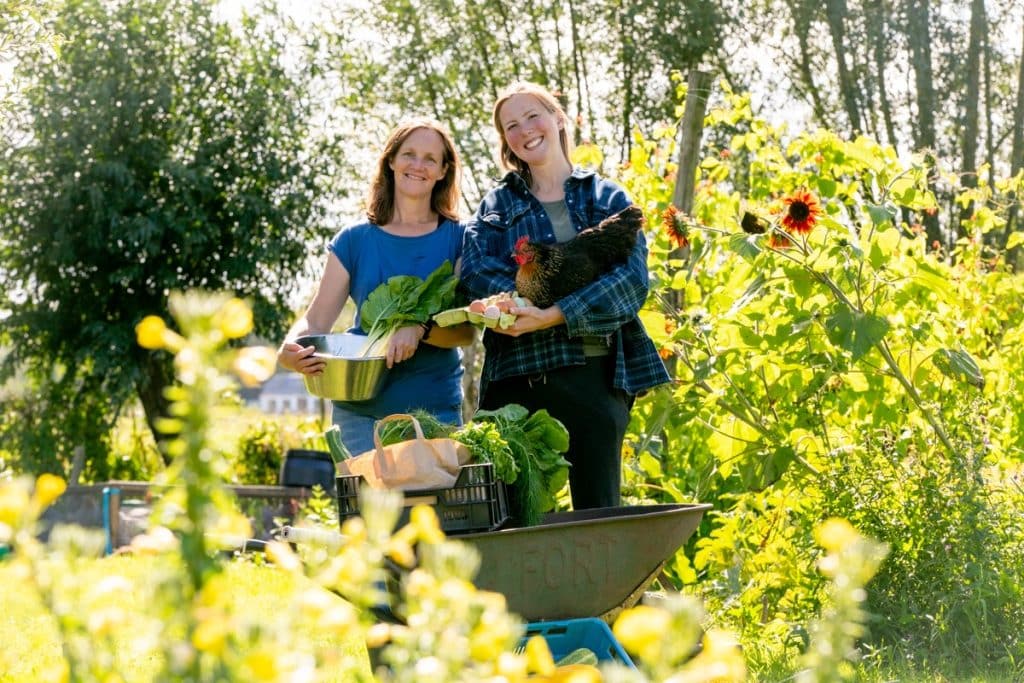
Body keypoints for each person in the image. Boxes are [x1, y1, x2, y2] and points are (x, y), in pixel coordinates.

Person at [460, 82, 670, 510]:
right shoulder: (496, 207)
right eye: (511, 126)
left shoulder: (606, 198)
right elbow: (477, 270)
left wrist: (554, 312)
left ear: (558, 118)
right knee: (511, 519)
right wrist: (531, 295)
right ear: (506, 142)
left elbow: (629, 281)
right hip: (516, 380)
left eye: (532, 116)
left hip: (591, 374)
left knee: (599, 515)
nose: (524, 130)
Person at [278, 119, 475, 456]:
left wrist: (419, 329)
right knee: (368, 510)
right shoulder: (353, 240)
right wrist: (290, 348)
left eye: (430, 158)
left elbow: (465, 332)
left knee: (432, 510)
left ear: (444, 170)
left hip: (433, 414)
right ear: (391, 161)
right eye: (409, 154)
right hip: (360, 415)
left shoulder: (459, 238)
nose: (418, 165)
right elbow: (316, 320)